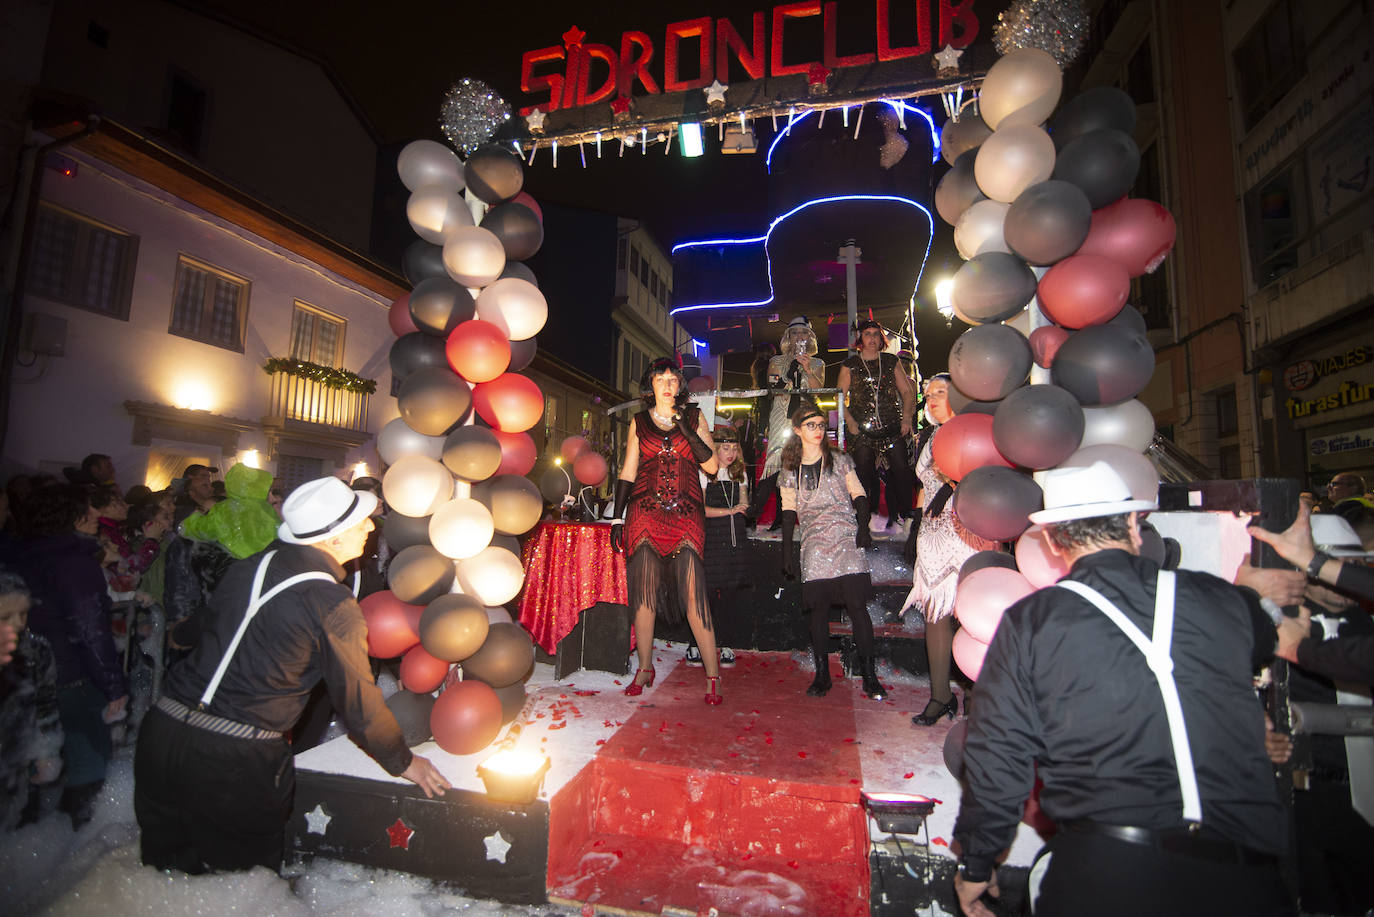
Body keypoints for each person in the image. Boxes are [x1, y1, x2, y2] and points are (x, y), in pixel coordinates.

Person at [953, 461, 1289, 917]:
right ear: (1135, 525)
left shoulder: (1034, 620)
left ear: (1052, 539)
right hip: (1246, 875)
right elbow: (1264, 637)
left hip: (1110, 871)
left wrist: (977, 861)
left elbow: (998, 753)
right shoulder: (1214, 598)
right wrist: (1251, 596)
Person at [135, 476, 450, 874]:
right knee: (242, 886)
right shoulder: (332, 603)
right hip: (233, 759)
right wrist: (402, 761)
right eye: (360, 523)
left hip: (161, 733)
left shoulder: (246, 568)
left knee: (163, 882)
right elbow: (357, 700)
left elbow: (205, 625)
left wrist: (178, 635)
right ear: (333, 541)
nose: (371, 527)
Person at [9, 483, 128, 829]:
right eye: (89, 507)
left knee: (33, 771)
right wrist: (113, 685)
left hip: (24, 678)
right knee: (87, 767)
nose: (96, 514)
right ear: (73, 515)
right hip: (69, 677)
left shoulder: (20, 556)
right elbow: (89, 629)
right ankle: (75, 847)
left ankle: (31, 843)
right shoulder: (74, 563)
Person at [610, 357, 724, 704]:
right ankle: (644, 667)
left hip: (687, 513)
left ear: (680, 387)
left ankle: (713, 675)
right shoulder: (639, 422)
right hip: (644, 512)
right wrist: (617, 518)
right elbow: (628, 471)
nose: (668, 384)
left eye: (674, 379)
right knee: (644, 595)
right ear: (652, 385)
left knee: (693, 595)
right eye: (661, 379)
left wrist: (687, 429)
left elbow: (712, 465)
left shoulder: (694, 417)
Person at [902, 374, 996, 726]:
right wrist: (915, 525)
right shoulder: (929, 437)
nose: (932, 399)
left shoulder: (977, 429)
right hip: (933, 533)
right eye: (928, 395)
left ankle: (976, 698)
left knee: (972, 615)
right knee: (935, 615)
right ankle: (940, 697)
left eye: (940, 392)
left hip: (969, 531)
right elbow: (925, 487)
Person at [778, 405, 885, 699]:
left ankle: (870, 675)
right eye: (810, 424)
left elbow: (859, 495)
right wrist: (787, 554)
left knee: (856, 605)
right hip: (813, 538)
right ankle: (822, 674)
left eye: (821, 424)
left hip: (845, 534)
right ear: (798, 430)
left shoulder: (839, 460)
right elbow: (788, 512)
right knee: (818, 608)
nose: (817, 429)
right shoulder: (789, 469)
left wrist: (863, 528)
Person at [837, 320, 916, 531]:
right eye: (867, 334)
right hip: (861, 428)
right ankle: (864, 515)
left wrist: (906, 418)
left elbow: (907, 392)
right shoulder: (850, 365)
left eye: (875, 334)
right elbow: (839, 398)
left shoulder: (890, 361)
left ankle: (906, 513)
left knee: (901, 468)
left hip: (892, 424)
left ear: (881, 338)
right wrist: (851, 422)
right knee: (863, 471)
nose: (872, 338)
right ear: (860, 339)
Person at [0, 570, 63, 831]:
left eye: (23, 614)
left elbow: (45, 702)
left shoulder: (36, 650)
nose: (17, 623)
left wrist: (46, 751)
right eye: (5, 617)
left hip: (17, 762)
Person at [751, 317, 827, 529]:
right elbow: (775, 387)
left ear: (810, 337)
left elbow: (817, 389)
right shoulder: (776, 361)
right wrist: (792, 371)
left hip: (804, 415)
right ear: (788, 338)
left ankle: (790, 518)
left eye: (803, 333)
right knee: (775, 462)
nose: (799, 337)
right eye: (795, 333)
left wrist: (807, 368)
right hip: (781, 414)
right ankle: (753, 514)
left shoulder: (818, 363)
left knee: (801, 464)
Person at [688, 426, 749, 668]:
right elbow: (700, 509)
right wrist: (731, 511)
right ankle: (696, 643)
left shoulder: (738, 472)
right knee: (707, 593)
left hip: (735, 540)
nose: (731, 453)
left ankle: (726, 643)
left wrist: (739, 508)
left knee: (731, 595)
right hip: (712, 539)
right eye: (725, 448)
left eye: (734, 448)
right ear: (715, 448)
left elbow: (744, 501)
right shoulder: (704, 473)